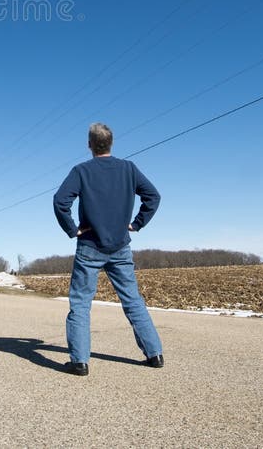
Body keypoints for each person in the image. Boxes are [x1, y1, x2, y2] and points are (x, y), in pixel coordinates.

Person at [53, 122, 164, 376]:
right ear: (111, 143)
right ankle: (154, 354)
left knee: (81, 303)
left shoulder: (81, 171)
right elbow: (153, 196)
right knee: (133, 301)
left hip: (90, 246)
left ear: (90, 145)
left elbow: (60, 201)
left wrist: (73, 229)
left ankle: (80, 362)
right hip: (121, 246)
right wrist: (136, 224)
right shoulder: (128, 168)